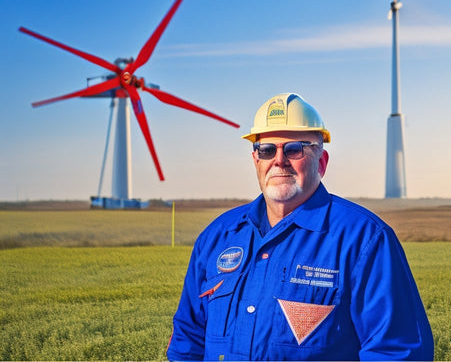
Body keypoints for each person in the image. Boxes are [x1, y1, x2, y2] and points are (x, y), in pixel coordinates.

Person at [167, 93, 434, 361]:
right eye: (267, 150)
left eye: (294, 149)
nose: (279, 160)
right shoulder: (217, 237)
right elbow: (187, 340)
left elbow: (396, 351)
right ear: (255, 161)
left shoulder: (364, 240)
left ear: (322, 162)